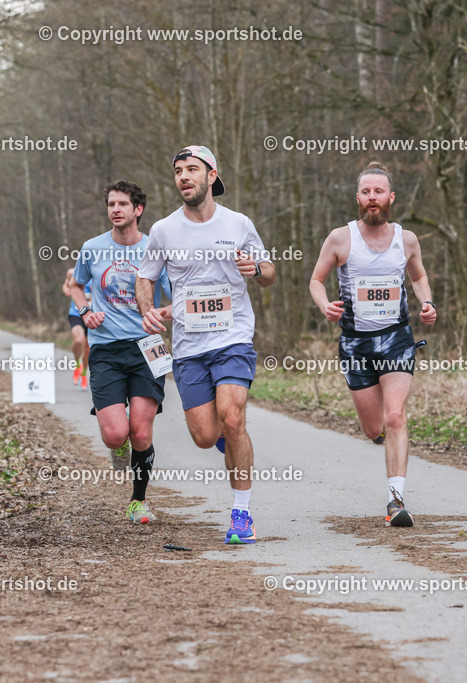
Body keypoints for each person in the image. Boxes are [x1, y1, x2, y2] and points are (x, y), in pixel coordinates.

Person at [137, 145, 276, 545]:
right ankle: (228, 442)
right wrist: (148, 312)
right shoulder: (164, 230)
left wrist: (258, 270)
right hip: (189, 346)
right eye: (178, 170)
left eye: (192, 169)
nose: (184, 176)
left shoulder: (238, 223)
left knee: (233, 419)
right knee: (204, 435)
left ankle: (242, 513)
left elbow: (268, 271)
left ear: (211, 176)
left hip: (232, 337)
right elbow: (145, 277)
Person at [309, 161, 437, 527]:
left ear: (391, 197)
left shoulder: (406, 239)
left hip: (397, 338)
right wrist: (324, 305)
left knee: (395, 415)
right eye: (366, 192)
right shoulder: (340, 238)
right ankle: (385, 437)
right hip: (355, 344)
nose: (372, 198)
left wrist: (426, 303)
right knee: (373, 428)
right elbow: (316, 281)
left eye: (378, 192)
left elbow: (420, 275)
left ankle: (396, 499)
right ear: (358, 198)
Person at [72, 180, 172, 525]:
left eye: (123, 204)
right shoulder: (92, 248)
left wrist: (162, 314)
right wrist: (87, 313)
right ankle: (119, 447)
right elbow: (76, 285)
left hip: (149, 348)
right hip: (106, 348)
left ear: (137, 210)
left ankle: (138, 501)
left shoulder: (154, 249)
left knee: (141, 432)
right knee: (116, 434)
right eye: (111, 204)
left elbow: (176, 293)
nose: (116, 209)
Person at [62, 268, 92, 390]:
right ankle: (76, 363)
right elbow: (65, 285)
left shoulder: (98, 270)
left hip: (91, 315)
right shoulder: (71, 272)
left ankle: (84, 373)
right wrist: (67, 290)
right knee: (78, 340)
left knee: (88, 348)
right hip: (76, 314)